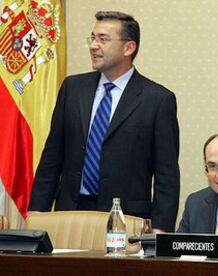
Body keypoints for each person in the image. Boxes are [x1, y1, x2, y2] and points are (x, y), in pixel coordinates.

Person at [29, 11, 180, 232]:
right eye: (93, 38)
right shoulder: (72, 89)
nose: (93, 46)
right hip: (70, 214)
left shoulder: (157, 100)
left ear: (129, 48)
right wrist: (37, 212)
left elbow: (167, 174)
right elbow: (51, 158)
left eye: (103, 39)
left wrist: (161, 229)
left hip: (126, 219)